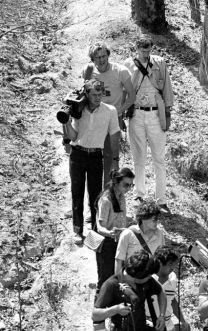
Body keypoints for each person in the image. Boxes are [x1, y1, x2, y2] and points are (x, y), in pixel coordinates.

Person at [62, 78, 121, 245]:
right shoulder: (78, 110)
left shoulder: (110, 111)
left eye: (99, 94)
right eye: (94, 94)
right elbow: (73, 136)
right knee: (77, 193)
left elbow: (114, 137)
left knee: (95, 195)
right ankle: (77, 230)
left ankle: (95, 231)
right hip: (78, 154)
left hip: (96, 155)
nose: (97, 97)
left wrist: (115, 160)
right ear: (86, 94)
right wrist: (66, 123)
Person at [123, 34, 175, 215]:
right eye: (142, 50)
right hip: (137, 113)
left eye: (148, 50)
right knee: (139, 156)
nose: (145, 53)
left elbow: (167, 87)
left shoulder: (159, 63)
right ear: (136, 49)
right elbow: (124, 90)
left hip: (155, 113)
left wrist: (167, 111)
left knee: (159, 158)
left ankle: (161, 199)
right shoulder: (128, 65)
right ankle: (139, 194)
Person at [93, 167, 135, 331]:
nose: (128, 189)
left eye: (131, 185)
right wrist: (112, 233)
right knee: (105, 280)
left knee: (117, 280)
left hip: (118, 242)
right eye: (126, 184)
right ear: (117, 182)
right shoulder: (107, 199)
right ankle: (98, 316)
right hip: (107, 243)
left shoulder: (120, 197)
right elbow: (100, 225)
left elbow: (123, 219)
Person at [81, 42, 135, 187]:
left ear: (108, 55)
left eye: (104, 56)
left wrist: (119, 111)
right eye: (97, 57)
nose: (101, 60)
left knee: (110, 157)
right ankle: (94, 192)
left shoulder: (121, 71)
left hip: (113, 118)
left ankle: (108, 191)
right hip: (94, 118)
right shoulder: (88, 71)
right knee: (93, 156)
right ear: (92, 59)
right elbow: (84, 94)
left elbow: (132, 96)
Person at [114, 198, 165, 275]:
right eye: (154, 219)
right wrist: (120, 283)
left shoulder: (159, 235)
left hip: (150, 279)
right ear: (144, 218)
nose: (156, 222)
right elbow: (119, 260)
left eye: (157, 219)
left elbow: (162, 260)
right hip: (131, 279)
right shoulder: (128, 234)